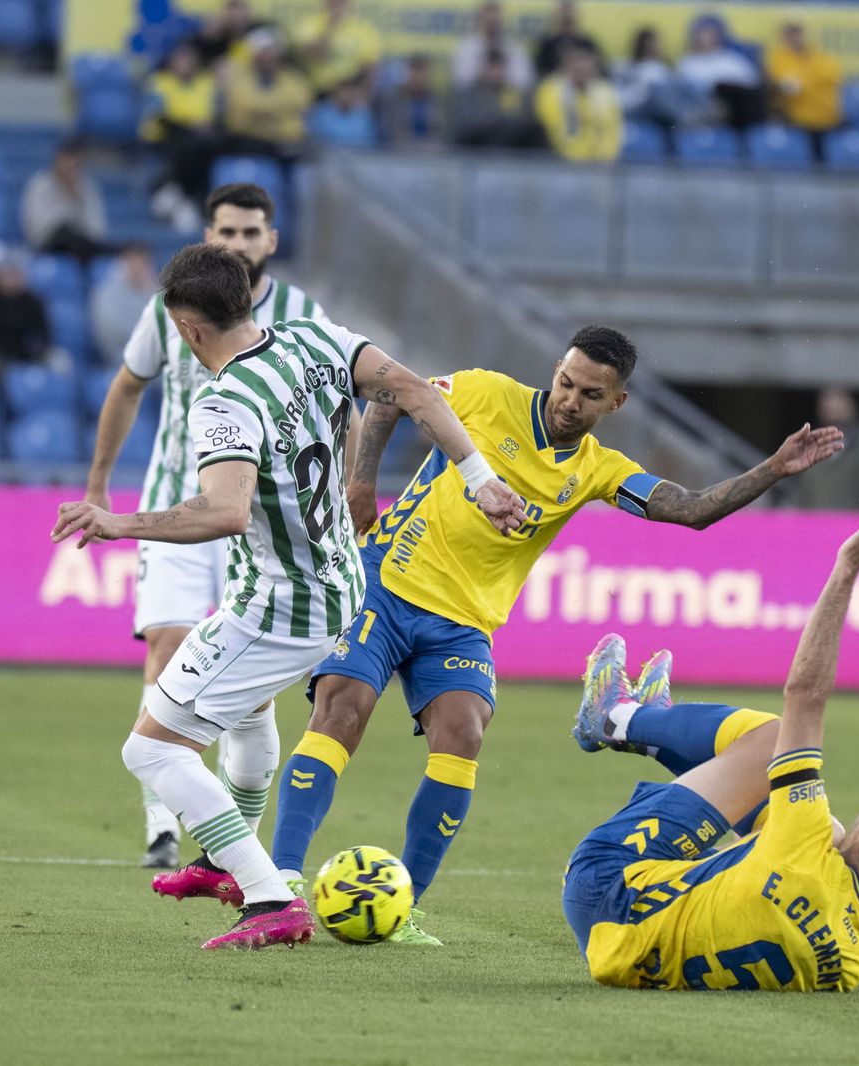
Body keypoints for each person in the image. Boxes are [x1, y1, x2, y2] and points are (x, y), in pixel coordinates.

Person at [266, 327, 845, 945]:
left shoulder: (598, 469)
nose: (570, 400)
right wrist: (361, 483)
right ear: (557, 369)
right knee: (343, 711)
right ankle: (280, 885)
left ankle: (402, 905)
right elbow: (390, 396)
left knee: (462, 734)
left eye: (590, 394)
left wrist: (774, 469)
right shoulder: (486, 395)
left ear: (615, 403)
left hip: (462, 625)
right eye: (566, 382)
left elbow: (691, 507)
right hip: (385, 581)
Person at [53, 243, 527, 951]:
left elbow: (224, 512)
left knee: (150, 754)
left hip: (281, 604)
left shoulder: (226, 401)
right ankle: (222, 862)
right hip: (337, 582)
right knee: (242, 717)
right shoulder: (316, 337)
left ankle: (268, 893)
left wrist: (120, 521)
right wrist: (480, 477)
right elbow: (418, 392)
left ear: (187, 331)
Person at [562, 501, 859, 991]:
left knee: (772, 741)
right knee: (808, 824)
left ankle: (622, 719)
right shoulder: (852, 965)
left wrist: (848, 568)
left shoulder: (803, 840)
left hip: (604, 888)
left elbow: (805, 696)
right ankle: (652, 731)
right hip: (633, 963)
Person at [84, 182, 328, 869]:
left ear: (271, 241)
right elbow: (128, 385)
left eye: (251, 233)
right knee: (168, 646)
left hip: (262, 527)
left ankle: (224, 837)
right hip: (175, 509)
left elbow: (340, 406)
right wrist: (99, 481)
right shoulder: (172, 311)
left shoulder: (305, 316)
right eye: (226, 231)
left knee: (248, 699)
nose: (238, 244)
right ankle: (163, 821)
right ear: (209, 234)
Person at [784, 389, 859, 512]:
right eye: (827, 397)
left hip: (854, 526)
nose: (832, 404)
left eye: (839, 397)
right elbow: (800, 491)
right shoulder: (810, 441)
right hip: (815, 525)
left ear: (852, 403)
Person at [143, 42, 221, 207]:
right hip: (167, 134)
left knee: (207, 146)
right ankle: (187, 193)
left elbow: (211, 113)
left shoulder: (205, 83)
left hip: (200, 138)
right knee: (190, 146)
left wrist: (203, 124)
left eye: (189, 61)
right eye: (181, 60)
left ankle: (178, 190)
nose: (185, 65)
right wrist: (189, 124)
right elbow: (158, 115)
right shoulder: (159, 82)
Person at [221, 28, 313, 156]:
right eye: (263, 53)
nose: (268, 58)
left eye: (272, 53)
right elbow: (241, 111)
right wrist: (278, 110)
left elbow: (302, 106)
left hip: (287, 142)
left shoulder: (294, 80)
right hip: (250, 141)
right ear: (254, 56)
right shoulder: (240, 81)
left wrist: (262, 109)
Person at [21, 138, 111, 262]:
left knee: (111, 252)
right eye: (66, 160)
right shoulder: (39, 184)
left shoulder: (88, 187)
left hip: (83, 244)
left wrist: (77, 200)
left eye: (75, 162)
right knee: (67, 234)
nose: (70, 166)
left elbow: (97, 230)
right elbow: (36, 227)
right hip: (49, 243)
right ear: (57, 160)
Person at [766, 20, 841, 157]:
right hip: (797, 120)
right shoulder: (778, 59)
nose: (794, 37)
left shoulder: (822, 58)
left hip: (826, 119)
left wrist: (803, 80)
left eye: (797, 32)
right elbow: (781, 85)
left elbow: (833, 78)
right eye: (789, 33)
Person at [535, 46, 623, 162]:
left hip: (600, 163)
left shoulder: (605, 92)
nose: (583, 76)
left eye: (588, 71)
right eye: (578, 70)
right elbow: (553, 129)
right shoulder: (551, 90)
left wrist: (606, 158)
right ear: (566, 68)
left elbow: (613, 131)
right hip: (561, 161)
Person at [680, 14, 766, 132]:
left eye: (711, 33)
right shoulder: (688, 62)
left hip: (732, 109)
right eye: (703, 33)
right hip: (700, 106)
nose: (706, 38)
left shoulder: (731, 59)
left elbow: (753, 83)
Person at [451, 49, 544, 149]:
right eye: (492, 67)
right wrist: (501, 121)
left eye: (500, 67)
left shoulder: (513, 93)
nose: (497, 73)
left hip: (511, 149)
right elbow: (469, 126)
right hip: (477, 150)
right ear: (482, 69)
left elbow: (525, 120)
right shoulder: (468, 94)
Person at [292, 0, 382, 97]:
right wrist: (330, 27)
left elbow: (369, 68)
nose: (338, 3)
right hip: (318, 92)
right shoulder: (310, 25)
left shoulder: (364, 30)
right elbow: (316, 56)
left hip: (351, 91)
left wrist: (363, 96)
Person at [91, 244, 157, 366]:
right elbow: (111, 334)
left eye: (145, 262)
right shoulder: (107, 294)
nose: (141, 267)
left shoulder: (152, 290)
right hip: (122, 355)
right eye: (135, 261)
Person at [453, 1, 533, 92]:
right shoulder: (466, 47)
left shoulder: (512, 48)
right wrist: (482, 74)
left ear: (501, 22)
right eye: (487, 21)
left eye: (495, 22)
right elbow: (460, 80)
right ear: (479, 21)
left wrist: (503, 75)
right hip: (475, 99)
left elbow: (525, 80)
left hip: (506, 98)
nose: (491, 26)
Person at [378, 54, 446, 149]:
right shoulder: (394, 99)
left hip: (432, 154)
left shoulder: (439, 101)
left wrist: (431, 146)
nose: (418, 77)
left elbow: (443, 132)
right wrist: (411, 147)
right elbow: (391, 132)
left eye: (422, 71)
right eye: (414, 71)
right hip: (400, 155)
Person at [307, 74, 381, 149]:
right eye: (343, 90)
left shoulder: (363, 114)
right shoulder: (321, 113)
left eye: (351, 90)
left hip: (359, 157)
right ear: (335, 91)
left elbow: (370, 140)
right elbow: (314, 139)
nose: (347, 95)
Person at [534, 0, 601, 79]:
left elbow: (601, 71)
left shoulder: (587, 44)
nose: (567, 14)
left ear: (578, 14)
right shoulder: (547, 45)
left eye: (570, 9)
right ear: (555, 14)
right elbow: (537, 72)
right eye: (564, 9)